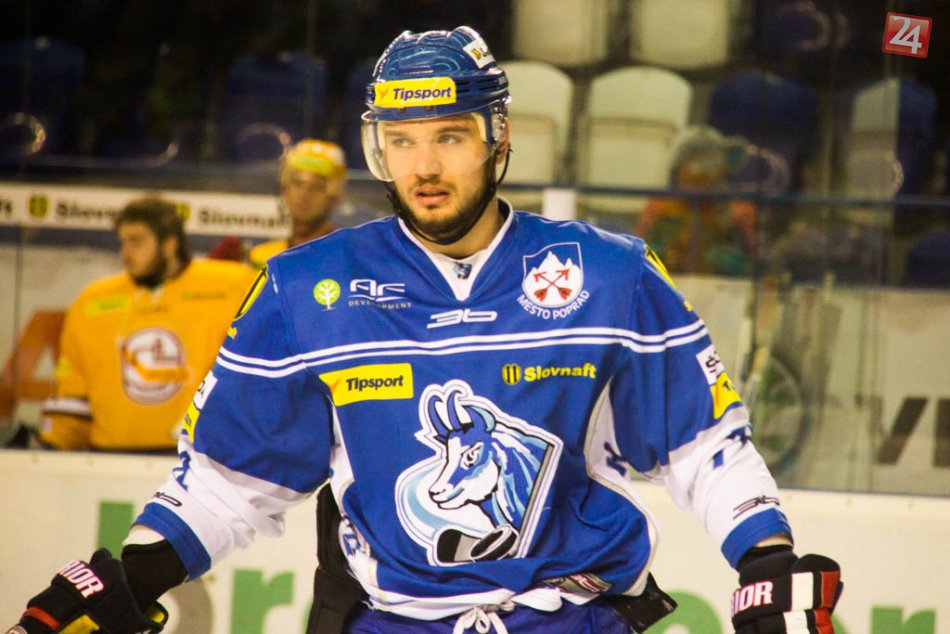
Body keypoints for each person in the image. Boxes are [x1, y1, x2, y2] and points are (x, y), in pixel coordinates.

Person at [9, 27, 842, 634]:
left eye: (449, 136)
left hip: (575, 618)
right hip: (389, 622)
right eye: (401, 141)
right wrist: (134, 574)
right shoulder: (303, 289)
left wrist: (765, 559)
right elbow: (232, 478)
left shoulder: (608, 273)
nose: (425, 166)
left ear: (498, 139)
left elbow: (700, 442)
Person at [36, 196, 256, 452]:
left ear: (169, 245)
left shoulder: (232, 286)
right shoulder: (92, 301)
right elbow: (72, 389)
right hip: (107, 459)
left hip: (200, 457)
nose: (125, 253)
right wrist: (53, 447)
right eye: (123, 242)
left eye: (136, 242)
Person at [636, 125, 756, 276]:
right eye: (691, 166)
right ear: (677, 171)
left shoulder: (736, 212)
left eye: (708, 169)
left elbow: (754, 268)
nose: (699, 177)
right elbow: (638, 257)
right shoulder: (659, 208)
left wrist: (722, 259)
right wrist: (663, 255)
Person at [208, 138, 347, 268]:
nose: (304, 195)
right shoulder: (261, 257)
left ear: (334, 196)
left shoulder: (345, 255)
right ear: (284, 188)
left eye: (317, 187)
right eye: (297, 183)